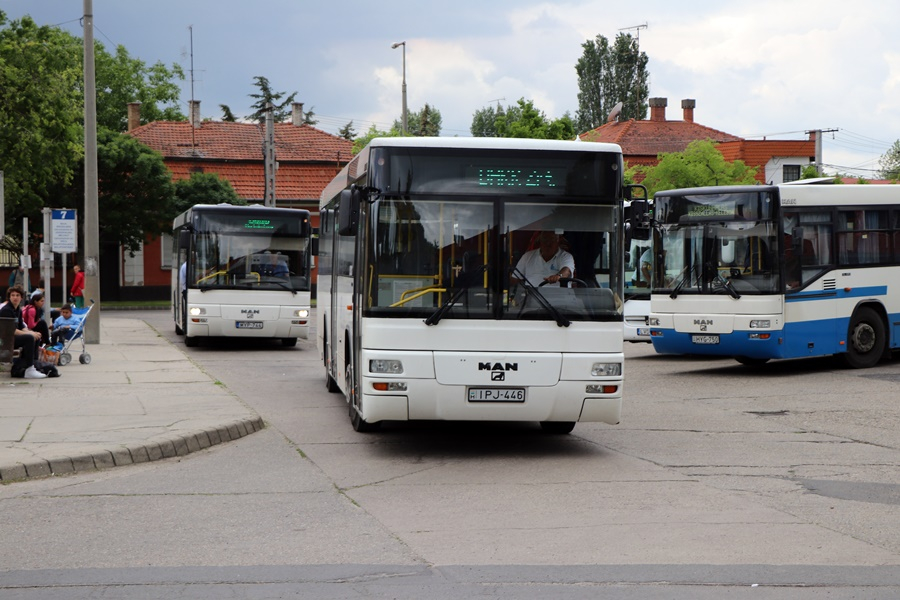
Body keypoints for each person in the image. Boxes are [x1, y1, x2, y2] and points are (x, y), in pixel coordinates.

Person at [0, 286, 47, 379]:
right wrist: (29, 334)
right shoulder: (6, 310)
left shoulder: (18, 309)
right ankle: (29, 369)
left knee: (35, 336)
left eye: (17, 295)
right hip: (5, 341)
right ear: (9, 297)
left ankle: (33, 364)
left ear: (21, 297)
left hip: (12, 338)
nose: (15, 297)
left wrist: (32, 333)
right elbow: (11, 330)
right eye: (13, 295)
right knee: (29, 338)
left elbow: (22, 326)